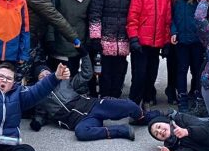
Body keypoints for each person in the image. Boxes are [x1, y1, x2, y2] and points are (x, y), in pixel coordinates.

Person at [30, 59, 158, 141]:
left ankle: (147, 118)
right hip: (80, 120)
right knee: (81, 133)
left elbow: (86, 74)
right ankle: (121, 131)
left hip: (93, 105)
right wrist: (37, 122)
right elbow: (40, 114)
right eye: (41, 76)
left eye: (47, 73)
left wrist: (84, 53)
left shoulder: (64, 81)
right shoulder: (40, 97)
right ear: (38, 79)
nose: (45, 76)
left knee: (130, 106)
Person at [88, 0, 136, 98]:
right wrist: (96, 36)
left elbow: (133, 15)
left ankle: (116, 96)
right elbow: (95, 12)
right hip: (105, 37)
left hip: (123, 37)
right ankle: (104, 96)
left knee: (120, 69)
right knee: (105, 70)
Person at [16, 0, 85, 62]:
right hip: (26, 36)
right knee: (23, 70)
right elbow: (53, 16)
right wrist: (73, 38)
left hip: (34, 33)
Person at [127, 0, 172, 108]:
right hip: (140, 43)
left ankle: (147, 99)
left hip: (156, 44)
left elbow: (166, 22)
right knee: (139, 75)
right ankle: (134, 102)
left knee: (151, 74)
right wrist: (133, 38)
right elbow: (132, 18)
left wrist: (166, 43)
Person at [169, 0, 205, 114]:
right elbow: (169, 16)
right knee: (182, 69)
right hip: (181, 39)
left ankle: (197, 96)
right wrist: (173, 31)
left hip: (197, 39)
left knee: (197, 70)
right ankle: (182, 97)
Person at [51, 0, 92, 76]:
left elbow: (87, 20)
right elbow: (52, 16)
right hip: (59, 42)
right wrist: (50, 39)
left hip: (77, 44)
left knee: (71, 77)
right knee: (58, 78)